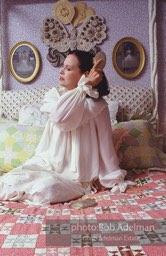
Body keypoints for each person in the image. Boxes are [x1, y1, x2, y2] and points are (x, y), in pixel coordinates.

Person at [0, 50, 134, 205]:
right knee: (7, 183)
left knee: (46, 190)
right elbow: (60, 117)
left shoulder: (98, 106)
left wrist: (114, 178)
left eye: (69, 68)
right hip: (45, 166)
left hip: (75, 178)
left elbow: (105, 146)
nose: (62, 71)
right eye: (63, 67)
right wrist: (85, 86)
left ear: (84, 74)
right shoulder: (54, 97)